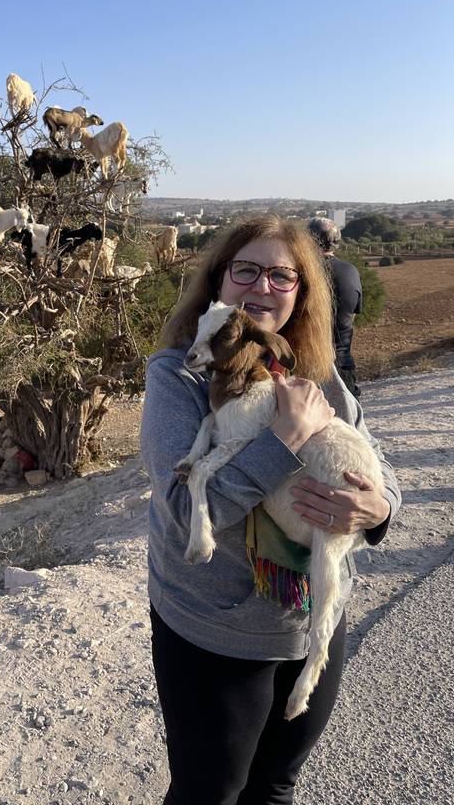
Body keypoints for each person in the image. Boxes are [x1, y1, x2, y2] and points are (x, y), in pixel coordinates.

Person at [140, 216, 400, 805]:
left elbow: (377, 464)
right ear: (218, 281)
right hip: (217, 631)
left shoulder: (316, 370)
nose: (262, 286)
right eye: (246, 270)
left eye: (282, 276)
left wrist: (378, 507)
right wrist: (285, 439)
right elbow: (183, 509)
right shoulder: (179, 375)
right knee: (209, 793)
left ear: (300, 293)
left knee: (277, 787)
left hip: (309, 617)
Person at [306, 216, 363, 398]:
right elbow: (351, 315)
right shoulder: (350, 271)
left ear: (308, 240)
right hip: (343, 364)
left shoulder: (304, 272)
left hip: (310, 367)